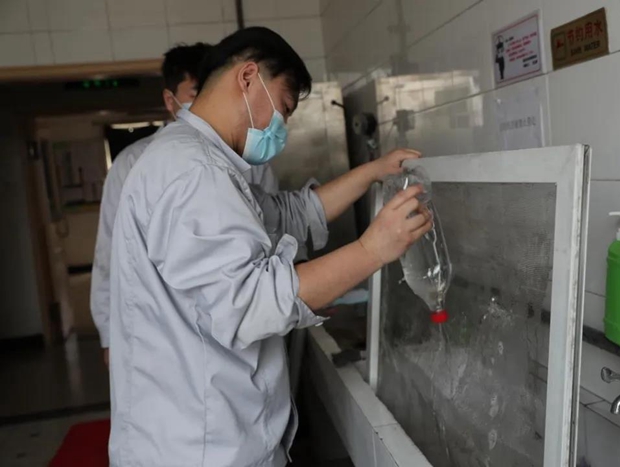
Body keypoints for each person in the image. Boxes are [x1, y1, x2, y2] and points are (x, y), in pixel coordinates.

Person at [108, 27, 431, 467]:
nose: (283, 127)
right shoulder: (193, 170)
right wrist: (372, 249)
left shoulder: (195, 158)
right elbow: (252, 303)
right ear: (248, 78)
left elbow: (288, 214)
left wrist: (373, 171)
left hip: (199, 436)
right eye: (284, 107)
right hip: (201, 447)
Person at [90, 43, 279, 366]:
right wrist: (109, 335)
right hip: (163, 333)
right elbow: (110, 254)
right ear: (170, 101)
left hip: (245, 324)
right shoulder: (133, 163)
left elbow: (275, 228)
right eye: (195, 92)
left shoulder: (252, 159)